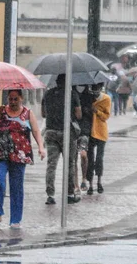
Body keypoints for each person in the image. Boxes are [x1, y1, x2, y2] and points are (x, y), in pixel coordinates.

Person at [0, 90, 46, 228]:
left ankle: (15, 220)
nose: (13, 102)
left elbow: (36, 131)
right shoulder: (0, 110)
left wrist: (40, 146)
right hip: (1, 154)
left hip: (20, 155)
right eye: (10, 99)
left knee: (16, 188)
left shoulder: (27, 113)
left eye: (15, 99)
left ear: (21, 98)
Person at [41, 74, 82, 205]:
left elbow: (43, 114)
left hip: (51, 131)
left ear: (56, 82)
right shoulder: (72, 95)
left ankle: (50, 195)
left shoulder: (47, 94)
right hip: (67, 133)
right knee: (69, 164)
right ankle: (70, 194)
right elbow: (78, 114)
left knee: (51, 164)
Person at [86, 82, 111, 195]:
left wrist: (97, 111)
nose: (95, 91)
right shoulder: (88, 98)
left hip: (101, 131)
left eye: (97, 89)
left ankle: (99, 182)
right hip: (90, 132)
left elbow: (106, 116)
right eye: (93, 89)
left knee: (99, 158)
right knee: (90, 159)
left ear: (101, 88)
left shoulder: (106, 99)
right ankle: (90, 184)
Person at [77, 85, 96, 191]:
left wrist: (88, 110)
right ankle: (75, 185)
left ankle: (85, 179)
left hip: (86, 130)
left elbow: (94, 114)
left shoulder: (90, 97)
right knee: (73, 159)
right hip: (74, 130)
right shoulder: (71, 95)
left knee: (84, 155)